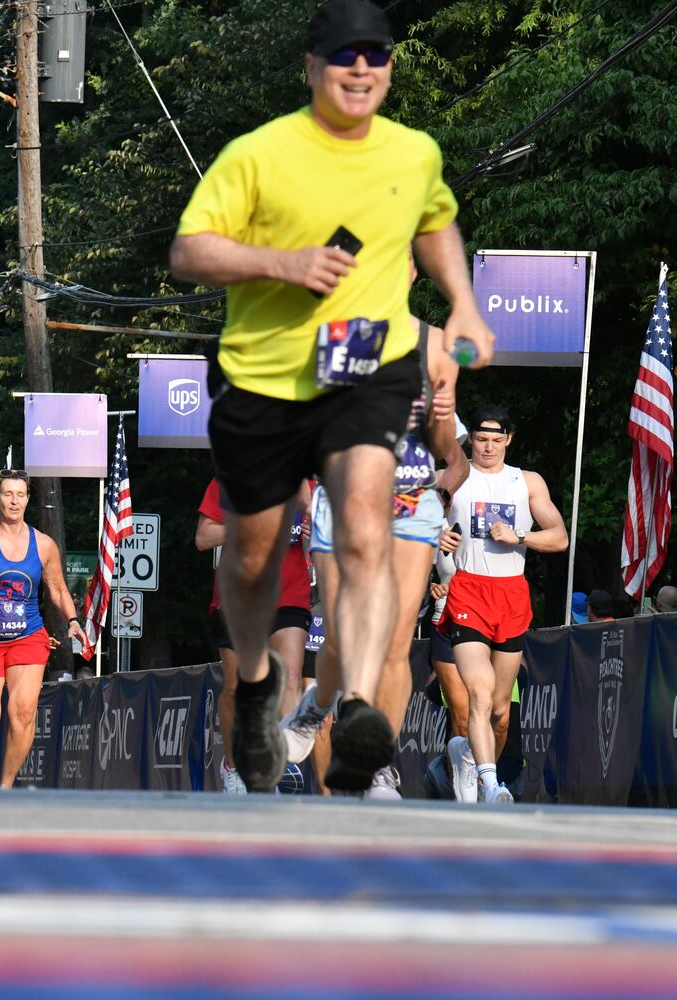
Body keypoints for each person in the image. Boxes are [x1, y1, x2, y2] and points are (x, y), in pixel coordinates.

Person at [168, 0, 495, 792]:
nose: (359, 69)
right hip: (265, 370)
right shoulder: (260, 153)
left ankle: (351, 707)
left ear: (387, 69)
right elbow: (187, 251)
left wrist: (460, 300)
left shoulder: (412, 152)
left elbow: (434, 221)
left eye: (374, 57)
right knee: (249, 555)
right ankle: (253, 687)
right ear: (312, 68)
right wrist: (281, 264)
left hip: (365, 365)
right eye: (343, 55)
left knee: (362, 522)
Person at [301, 311, 469, 797]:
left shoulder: (435, 344)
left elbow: (447, 452)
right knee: (340, 637)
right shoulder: (331, 333)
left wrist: (441, 414)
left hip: (410, 503)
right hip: (344, 497)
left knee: (396, 644)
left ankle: (377, 767)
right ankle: (317, 707)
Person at [439, 404, 566, 803]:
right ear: (470, 439)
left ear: (509, 439)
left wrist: (520, 537)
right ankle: (491, 785)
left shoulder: (526, 481)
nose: (488, 448)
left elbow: (560, 536)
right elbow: (417, 523)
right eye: (481, 440)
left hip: (511, 595)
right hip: (468, 592)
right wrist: (436, 538)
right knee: (479, 690)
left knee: (499, 711)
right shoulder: (454, 479)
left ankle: (465, 753)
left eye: (497, 440)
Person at [0, 471, 87, 787]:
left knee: (23, 713)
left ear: (27, 499)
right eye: (8, 494)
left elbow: (58, 589)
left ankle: (5, 788)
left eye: (21, 494)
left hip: (27, 635)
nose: (15, 501)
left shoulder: (44, 545)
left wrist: (73, 620)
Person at [195, 481, 311, 794]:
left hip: (290, 593)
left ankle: (278, 762)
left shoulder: (307, 484)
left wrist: (318, 536)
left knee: (289, 678)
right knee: (236, 689)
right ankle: (232, 767)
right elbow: (203, 537)